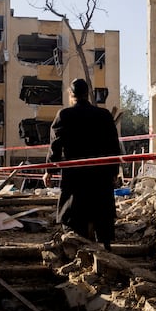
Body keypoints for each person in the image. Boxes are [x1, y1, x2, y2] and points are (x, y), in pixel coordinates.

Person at [42, 78, 122, 250]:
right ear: (87, 94)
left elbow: (55, 144)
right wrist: (114, 170)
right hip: (101, 174)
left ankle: (77, 247)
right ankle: (106, 245)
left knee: (74, 212)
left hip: (75, 174)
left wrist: (49, 170)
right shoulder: (104, 115)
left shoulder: (64, 115)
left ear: (71, 95)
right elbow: (114, 145)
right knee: (101, 210)